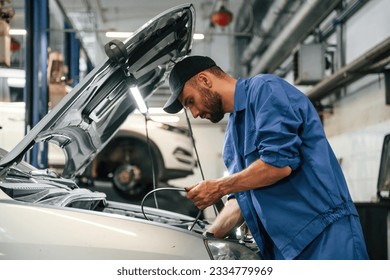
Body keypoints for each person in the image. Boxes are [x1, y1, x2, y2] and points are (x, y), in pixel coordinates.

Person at [163, 55, 369, 260]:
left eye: (190, 101)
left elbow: (278, 164)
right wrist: (203, 240)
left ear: (204, 80)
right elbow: (240, 201)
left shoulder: (265, 90)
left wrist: (219, 187)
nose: (195, 113)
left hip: (325, 237)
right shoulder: (230, 141)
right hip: (283, 250)